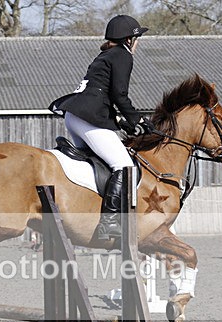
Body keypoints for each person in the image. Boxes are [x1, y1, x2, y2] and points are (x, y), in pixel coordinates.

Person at [49, 14, 153, 240]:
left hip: (76, 115)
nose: (138, 43)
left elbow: (102, 96)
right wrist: (138, 120)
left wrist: (122, 121)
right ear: (129, 40)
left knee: (98, 165)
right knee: (124, 165)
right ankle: (110, 223)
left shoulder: (105, 55)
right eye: (137, 38)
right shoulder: (123, 55)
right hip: (87, 117)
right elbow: (119, 95)